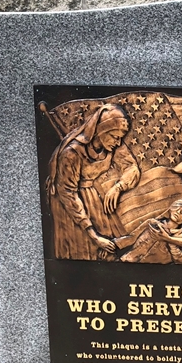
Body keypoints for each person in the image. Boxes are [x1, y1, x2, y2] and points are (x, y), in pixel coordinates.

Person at [46, 103, 140, 261]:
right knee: (84, 252)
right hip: (70, 206)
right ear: (102, 130)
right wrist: (94, 236)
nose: (118, 143)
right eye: (115, 137)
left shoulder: (113, 144)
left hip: (92, 197)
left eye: (120, 138)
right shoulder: (71, 153)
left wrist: (119, 187)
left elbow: (132, 167)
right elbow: (68, 193)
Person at [119, 199, 182, 264]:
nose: (178, 212)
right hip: (127, 261)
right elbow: (131, 237)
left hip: (155, 272)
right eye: (176, 207)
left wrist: (171, 242)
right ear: (171, 208)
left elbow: (180, 261)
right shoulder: (152, 223)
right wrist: (114, 244)